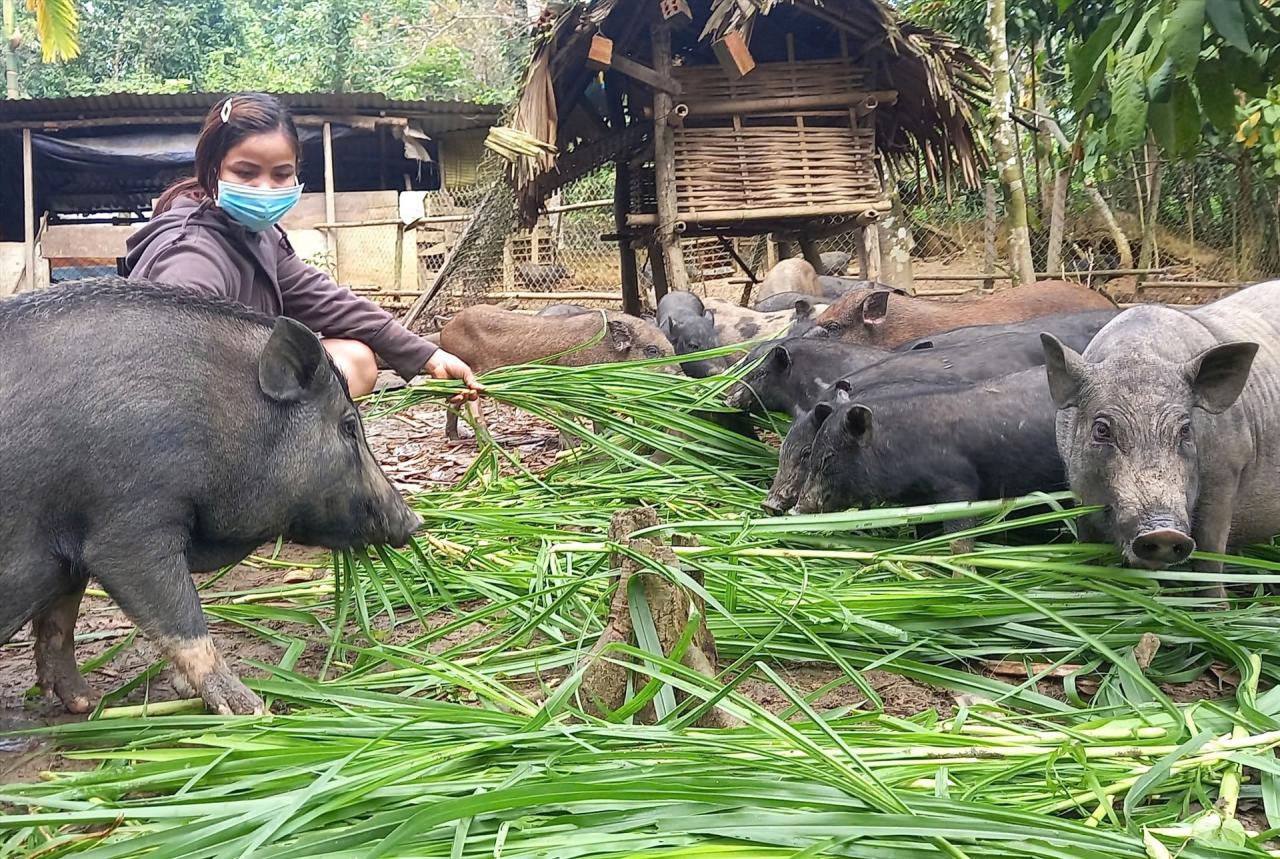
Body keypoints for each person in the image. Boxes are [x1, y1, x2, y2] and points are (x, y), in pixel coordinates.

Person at [125, 92, 480, 400]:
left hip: (245, 380)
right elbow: (170, 361)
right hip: (196, 398)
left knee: (355, 358)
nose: (265, 189)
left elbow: (329, 301)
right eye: (246, 173)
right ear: (213, 170)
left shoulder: (257, 234)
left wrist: (427, 357)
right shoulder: (190, 253)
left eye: (280, 174)